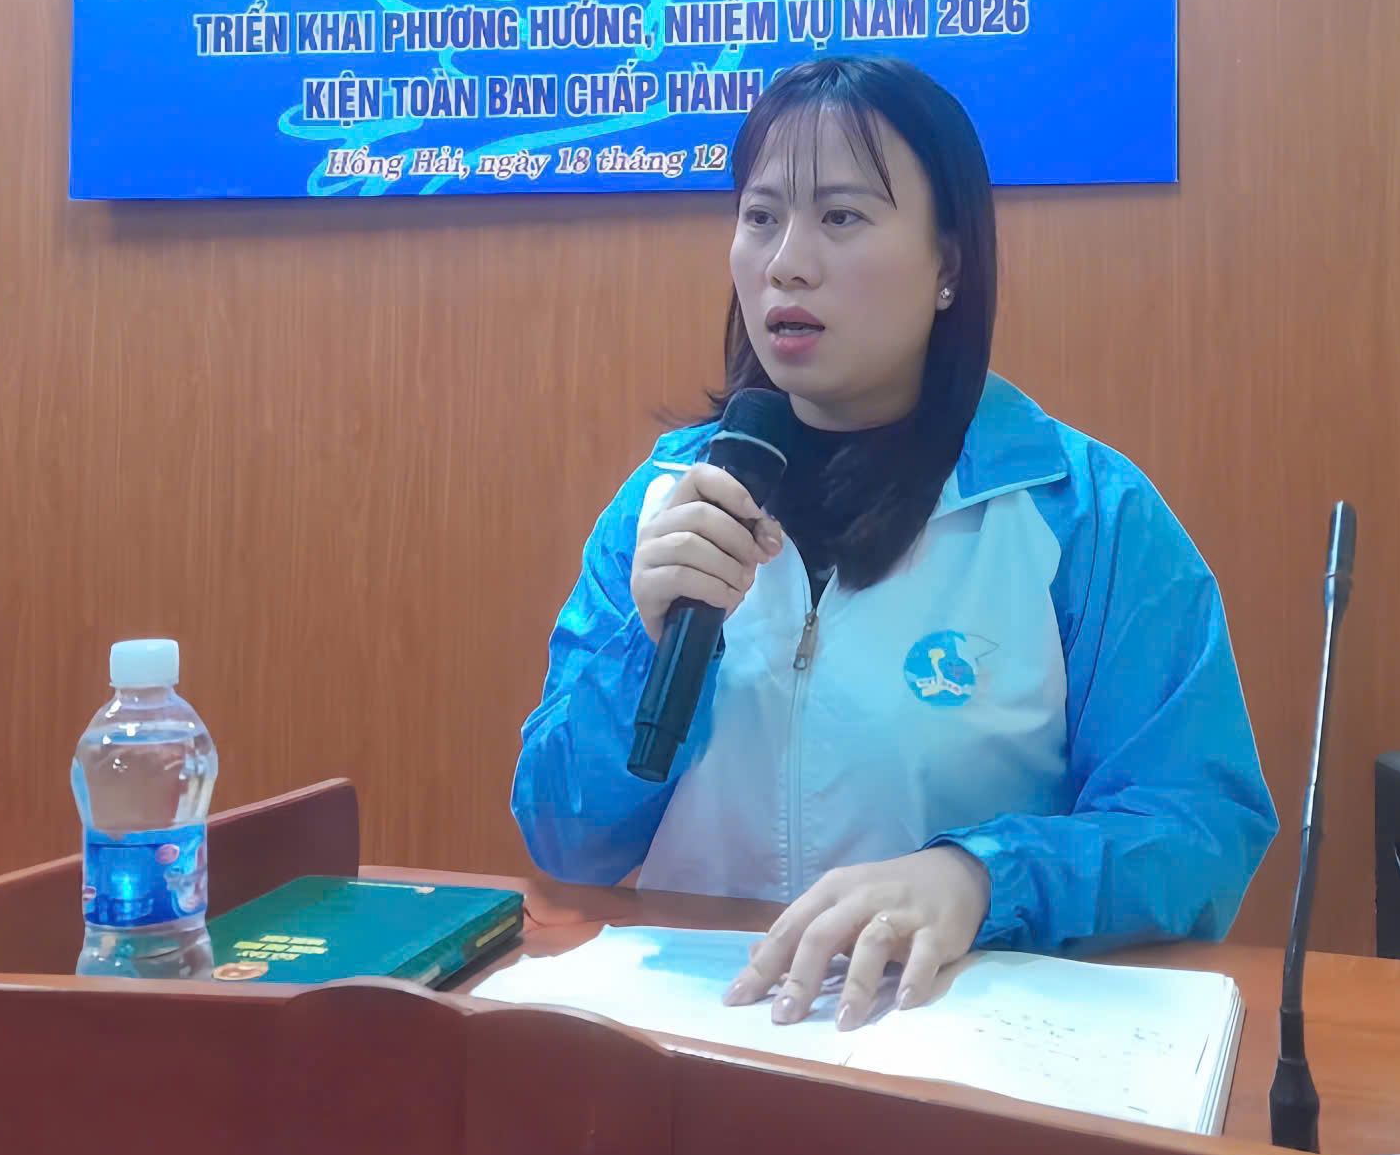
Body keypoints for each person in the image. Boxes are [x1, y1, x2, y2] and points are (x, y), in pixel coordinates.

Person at [511, 57, 1277, 1032]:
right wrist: (641, 649)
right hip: (708, 1033)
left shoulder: (1083, 513)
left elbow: (1196, 830)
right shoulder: (665, 502)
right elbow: (566, 842)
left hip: (955, 1042)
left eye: (841, 217)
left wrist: (979, 877)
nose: (787, 262)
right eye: (760, 216)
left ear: (948, 264)